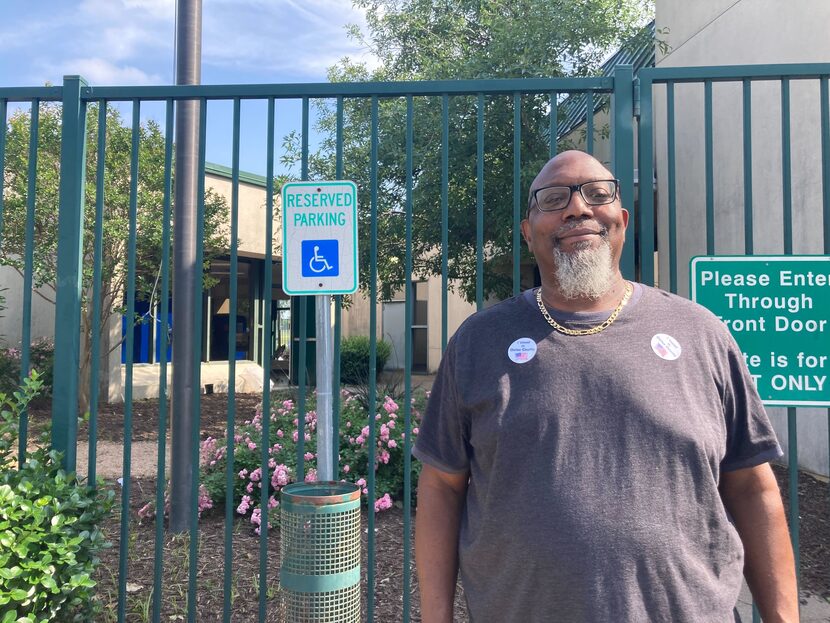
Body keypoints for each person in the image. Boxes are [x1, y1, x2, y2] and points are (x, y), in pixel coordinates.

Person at [413, 150, 798, 623]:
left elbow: (752, 488)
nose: (578, 208)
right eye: (554, 199)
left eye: (598, 194)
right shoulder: (478, 342)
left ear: (622, 218)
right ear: (527, 232)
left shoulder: (701, 333)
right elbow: (442, 488)